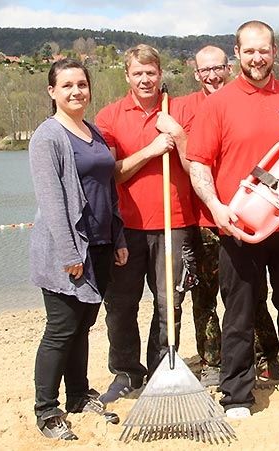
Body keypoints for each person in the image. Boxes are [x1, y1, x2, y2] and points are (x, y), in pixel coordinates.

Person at [187, 20, 279, 418]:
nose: (256, 57)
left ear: (274, 52)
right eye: (249, 50)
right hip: (238, 225)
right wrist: (217, 208)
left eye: (263, 50)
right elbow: (198, 164)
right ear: (237, 54)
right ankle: (237, 395)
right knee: (239, 312)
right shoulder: (217, 103)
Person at [29, 59, 128, 440]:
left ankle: (78, 395)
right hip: (67, 251)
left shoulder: (94, 131)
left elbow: (109, 190)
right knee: (61, 328)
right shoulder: (48, 136)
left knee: (83, 326)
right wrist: (70, 254)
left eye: (81, 84)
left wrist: (117, 239)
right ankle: (46, 409)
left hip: (100, 244)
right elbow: (53, 202)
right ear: (52, 91)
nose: (76, 91)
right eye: (67, 85)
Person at [95, 44, 197, 403]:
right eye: (137, 73)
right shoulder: (109, 117)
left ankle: (160, 370)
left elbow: (197, 162)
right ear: (127, 76)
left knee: (170, 303)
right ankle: (126, 372)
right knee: (121, 304)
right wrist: (151, 150)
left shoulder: (181, 110)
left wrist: (179, 137)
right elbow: (112, 174)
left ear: (160, 73)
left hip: (175, 223)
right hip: (126, 227)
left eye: (150, 72)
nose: (145, 79)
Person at [181, 45, 279, 386]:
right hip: (205, 219)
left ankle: (265, 354)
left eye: (217, 68)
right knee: (205, 295)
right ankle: (212, 361)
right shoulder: (184, 108)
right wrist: (180, 136)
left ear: (229, 67)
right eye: (204, 70)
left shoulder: (245, 101)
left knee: (252, 295)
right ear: (196, 74)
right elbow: (194, 163)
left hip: (248, 217)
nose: (211, 75)